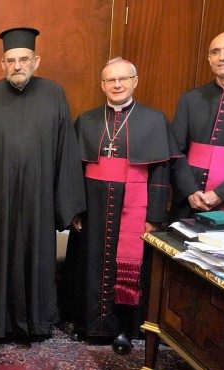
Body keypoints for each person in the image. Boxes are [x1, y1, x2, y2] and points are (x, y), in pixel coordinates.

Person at [0, 27, 85, 342]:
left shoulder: (54, 94)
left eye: (23, 59)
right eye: (10, 60)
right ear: (2, 63)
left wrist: (67, 206)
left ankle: (38, 322)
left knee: (37, 258)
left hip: (39, 200)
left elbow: (66, 150)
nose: (17, 65)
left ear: (36, 61)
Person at [63, 58, 173, 354]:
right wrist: (76, 209)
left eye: (123, 79)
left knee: (128, 264)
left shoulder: (154, 120)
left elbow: (161, 173)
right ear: (102, 85)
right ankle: (87, 323)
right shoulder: (86, 120)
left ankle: (124, 327)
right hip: (93, 206)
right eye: (111, 80)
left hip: (134, 206)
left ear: (135, 81)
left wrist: (155, 216)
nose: (117, 85)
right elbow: (73, 170)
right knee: (89, 262)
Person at [171, 31, 224, 219]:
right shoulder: (190, 98)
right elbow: (175, 150)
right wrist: (189, 190)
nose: (222, 57)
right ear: (209, 59)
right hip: (190, 202)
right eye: (215, 52)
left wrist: (222, 194)